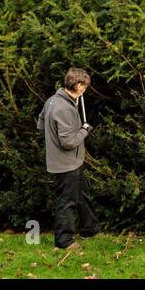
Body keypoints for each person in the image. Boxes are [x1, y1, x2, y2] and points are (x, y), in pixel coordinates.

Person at [36, 67, 99, 251]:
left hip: (73, 161)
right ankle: (64, 242)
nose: (85, 91)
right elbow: (68, 142)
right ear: (78, 86)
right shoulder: (64, 108)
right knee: (67, 202)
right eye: (84, 87)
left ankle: (90, 229)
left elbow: (41, 125)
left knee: (82, 195)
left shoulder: (51, 101)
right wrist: (85, 130)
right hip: (66, 164)